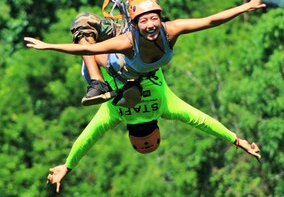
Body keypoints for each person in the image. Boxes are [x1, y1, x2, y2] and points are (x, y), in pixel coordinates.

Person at [24, 0, 266, 107]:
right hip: (130, 55)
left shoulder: (170, 30)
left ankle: (108, 84)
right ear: (135, 24)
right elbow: (84, 49)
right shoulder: (127, 39)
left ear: (161, 19)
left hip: (122, 68)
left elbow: (211, 20)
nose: (151, 25)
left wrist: (246, 6)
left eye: (154, 19)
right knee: (84, 22)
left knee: (94, 43)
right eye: (144, 20)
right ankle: (99, 85)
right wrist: (49, 46)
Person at [46, 69, 261, 193]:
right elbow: (86, 139)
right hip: (108, 53)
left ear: (157, 127)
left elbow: (203, 121)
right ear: (129, 134)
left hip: (145, 47)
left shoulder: (165, 107)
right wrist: (68, 166)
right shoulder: (115, 114)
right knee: (88, 71)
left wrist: (236, 140)